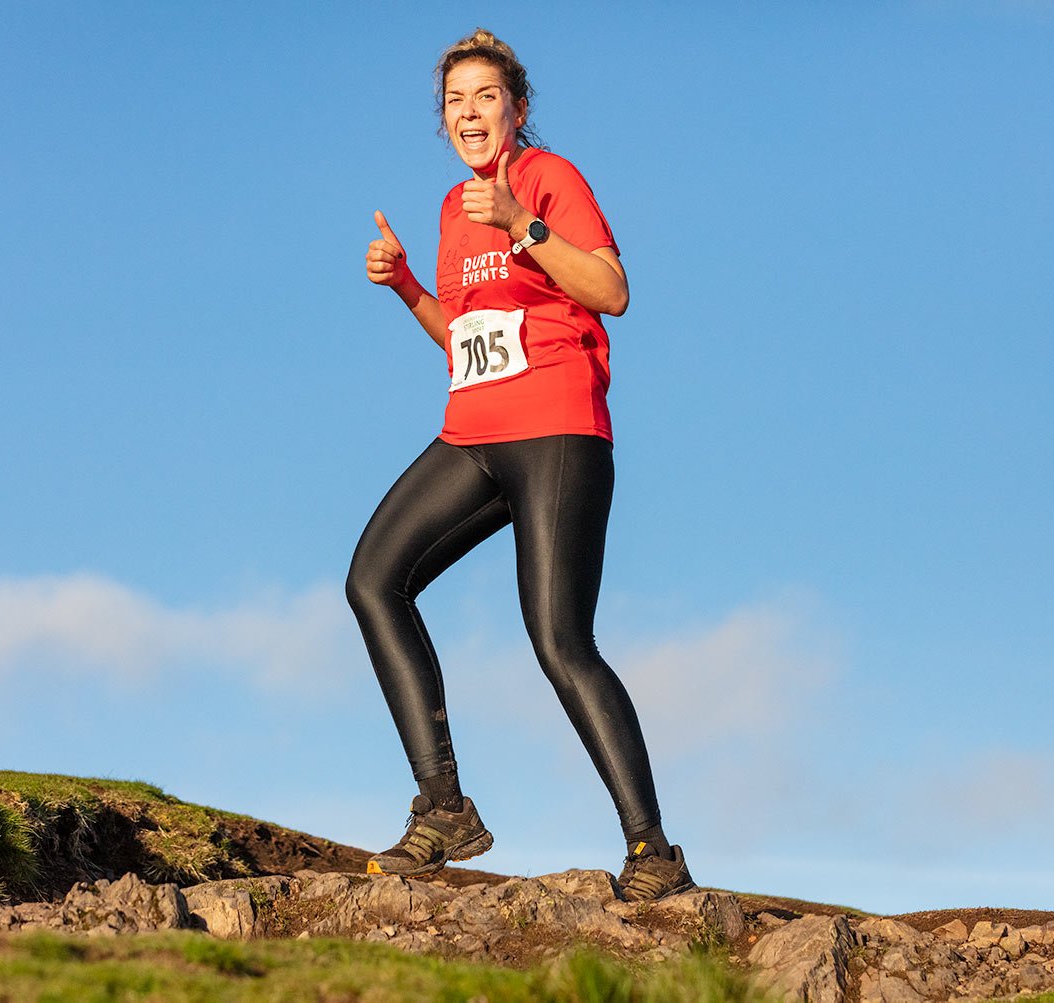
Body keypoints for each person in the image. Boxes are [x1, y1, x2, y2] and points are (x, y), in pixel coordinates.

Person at [346, 28, 693, 902]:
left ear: (517, 108)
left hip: (558, 430)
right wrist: (409, 291)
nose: (469, 112)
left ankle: (653, 850)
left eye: (485, 97)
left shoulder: (548, 180)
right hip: (473, 433)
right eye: (455, 101)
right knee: (372, 579)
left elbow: (610, 289)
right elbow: (464, 344)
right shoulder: (450, 209)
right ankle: (444, 808)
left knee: (558, 641)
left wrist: (522, 225)